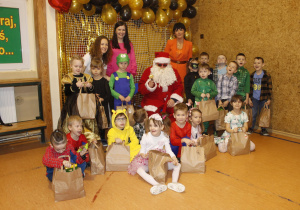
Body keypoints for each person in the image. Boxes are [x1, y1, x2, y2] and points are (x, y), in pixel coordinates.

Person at [128, 113, 185, 195]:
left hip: (160, 161)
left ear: (162, 127)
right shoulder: (146, 136)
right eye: (150, 125)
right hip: (148, 160)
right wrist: (143, 154)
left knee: (178, 165)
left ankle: (174, 183)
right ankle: (157, 185)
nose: (152, 128)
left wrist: (174, 158)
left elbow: (168, 150)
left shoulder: (164, 136)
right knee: (139, 170)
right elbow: (142, 149)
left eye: (155, 125)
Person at [58, 55, 100, 142]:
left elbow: (92, 91)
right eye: (76, 66)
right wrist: (75, 86)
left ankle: (88, 139)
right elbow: (66, 92)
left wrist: (90, 86)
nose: (78, 68)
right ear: (71, 66)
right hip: (73, 106)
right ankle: (72, 140)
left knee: (87, 121)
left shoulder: (87, 77)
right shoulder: (68, 77)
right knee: (75, 121)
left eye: (80, 66)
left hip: (85, 104)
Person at [138, 52, 183, 122]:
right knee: (152, 115)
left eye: (165, 65)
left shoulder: (174, 72)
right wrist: (148, 86)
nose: (162, 67)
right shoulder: (148, 71)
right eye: (159, 65)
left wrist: (173, 99)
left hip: (169, 99)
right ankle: (155, 131)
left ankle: (172, 130)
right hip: (152, 99)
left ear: (168, 64)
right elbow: (141, 89)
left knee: (178, 113)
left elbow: (179, 86)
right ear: (155, 64)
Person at [91, 58, 113, 143]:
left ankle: (103, 137)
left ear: (101, 69)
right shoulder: (90, 81)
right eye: (93, 68)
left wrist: (103, 99)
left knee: (103, 121)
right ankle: (95, 137)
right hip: (93, 105)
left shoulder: (104, 81)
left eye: (98, 68)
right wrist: (94, 96)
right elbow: (88, 93)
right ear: (91, 69)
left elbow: (109, 94)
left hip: (103, 105)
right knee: (95, 121)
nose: (96, 71)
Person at [191, 63, 218, 134]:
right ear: (198, 72)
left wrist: (210, 94)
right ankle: (195, 130)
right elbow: (192, 91)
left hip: (207, 103)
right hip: (198, 103)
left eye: (205, 71)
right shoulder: (197, 82)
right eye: (201, 72)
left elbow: (215, 92)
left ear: (209, 72)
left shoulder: (211, 82)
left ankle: (204, 131)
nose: (203, 73)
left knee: (205, 117)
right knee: (196, 116)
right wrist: (199, 94)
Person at [248, 57, 272, 135]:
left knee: (263, 114)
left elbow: (269, 87)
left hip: (263, 98)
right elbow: (250, 88)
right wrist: (249, 99)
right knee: (253, 113)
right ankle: (251, 127)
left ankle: (263, 129)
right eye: (255, 63)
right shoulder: (252, 75)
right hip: (254, 98)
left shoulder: (266, 75)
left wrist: (269, 99)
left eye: (259, 63)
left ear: (263, 64)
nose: (256, 64)